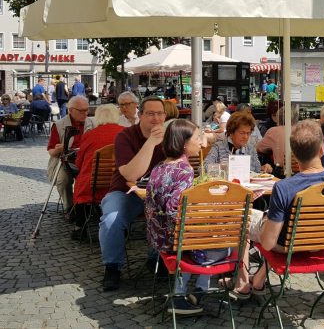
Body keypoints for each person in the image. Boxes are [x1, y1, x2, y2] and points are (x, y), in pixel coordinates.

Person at [240, 119, 324, 296]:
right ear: (322, 149)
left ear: (293, 154)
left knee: (243, 218)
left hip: (288, 246)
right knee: (285, 224)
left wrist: (265, 222)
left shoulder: (284, 187)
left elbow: (269, 243)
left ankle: (241, 283)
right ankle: (258, 279)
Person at [146, 119, 220, 314]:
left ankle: (182, 293)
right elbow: (174, 211)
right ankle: (198, 291)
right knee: (224, 243)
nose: (201, 142)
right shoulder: (185, 170)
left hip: (157, 235)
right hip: (173, 239)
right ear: (184, 143)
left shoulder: (159, 166)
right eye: (197, 138)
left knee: (201, 237)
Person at [99, 97, 166, 291]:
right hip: (125, 191)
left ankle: (158, 258)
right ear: (140, 115)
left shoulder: (170, 137)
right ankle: (112, 267)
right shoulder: (125, 136)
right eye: (150, 114)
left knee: (172, 212)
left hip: (158, 193)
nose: (156, 118)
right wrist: (151, 142)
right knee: (111, 219)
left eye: (160, 114)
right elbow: (130, 175)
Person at [72, 104, 124, 240]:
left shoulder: (89, 135)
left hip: (93, 185)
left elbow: (79, 162)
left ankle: (80, 226)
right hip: (120, 182)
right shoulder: (126, 133)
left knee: (80, 182)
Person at [47, 96, 95, 218]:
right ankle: (69, 207)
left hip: (87, 161)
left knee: (95, 176)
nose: (85, 113)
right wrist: (58, 149)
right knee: (63, 180)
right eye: (81, 111)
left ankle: (89, 204)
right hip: (65, 161)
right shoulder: (59, 125)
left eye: (87, 110)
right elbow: (51, 151)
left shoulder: (92, 123)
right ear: (71, 110)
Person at [204, 111, 272, 175]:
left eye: (248, 133)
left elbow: (257, 171)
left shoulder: (250, 148)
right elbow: (204, 168)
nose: (245, 137)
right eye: (242, 133)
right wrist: (222, 167)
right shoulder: (218, 147)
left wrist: (264, 168)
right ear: (231, 132)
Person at [257, 107, 299, 177]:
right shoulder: (302, 130)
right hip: (302, 171)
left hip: (281, 172)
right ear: (296, 118)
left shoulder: (273, 131)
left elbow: (259, 148)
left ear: (278, 118)